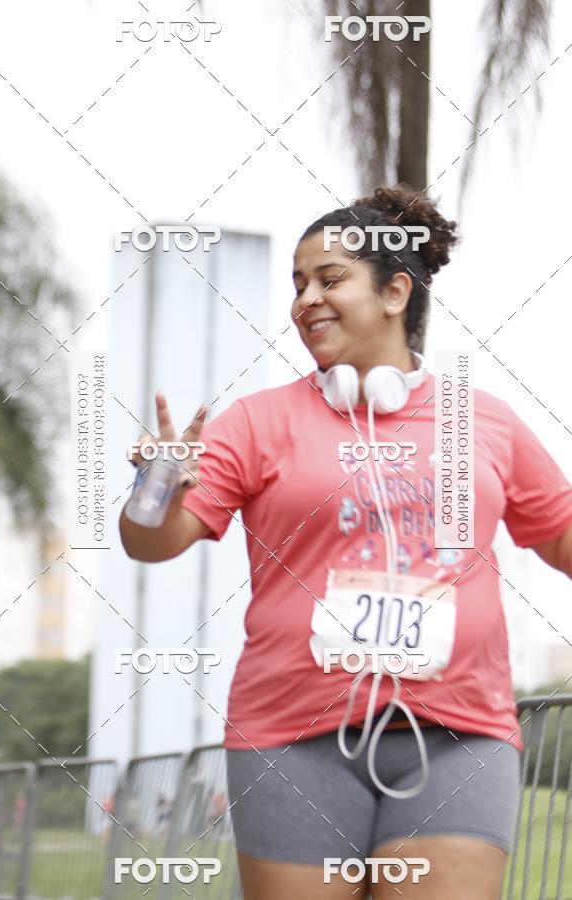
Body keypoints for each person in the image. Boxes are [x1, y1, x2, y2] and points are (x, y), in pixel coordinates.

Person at [119, 184, 572, 899]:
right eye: (298, 284)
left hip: (459, 735)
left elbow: (561, 535)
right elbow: (152, 543)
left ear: (395, 292)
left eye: (329, 280)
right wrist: (158, 484)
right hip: (291, 739)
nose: (306, 300)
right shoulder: (256, 422)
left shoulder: (480, 420)